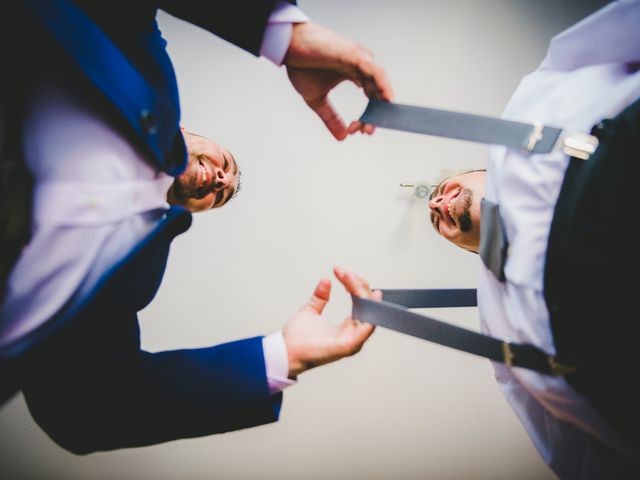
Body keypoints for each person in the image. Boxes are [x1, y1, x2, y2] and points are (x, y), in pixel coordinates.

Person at [0, 0, 389, 454]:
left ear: (197, 212)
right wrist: (284, 36)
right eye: (226, 166)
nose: (220, 180)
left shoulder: (134, 279)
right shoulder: (140, 70)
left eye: (220, 195)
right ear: (190, 128)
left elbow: (84, 411)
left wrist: (286, 355)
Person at [422, 1, 640, 477]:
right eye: (434, 219)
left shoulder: (533, 101)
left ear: (478, 170)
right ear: (466, 251)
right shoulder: (497, 327)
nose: (438, 206)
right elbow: (575, 453)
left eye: (437, 194)